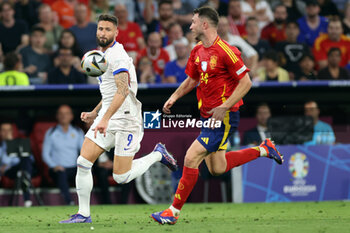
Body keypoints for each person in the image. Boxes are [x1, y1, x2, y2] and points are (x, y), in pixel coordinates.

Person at [151, 6, 283, 225]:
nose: (190, 25)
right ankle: (264, 149)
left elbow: (246, 82)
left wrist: (224, 106)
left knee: (191, 157)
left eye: (193, 22)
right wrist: (174, 97)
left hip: (225, 117)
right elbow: (192, 80)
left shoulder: (227, 51)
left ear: (205, 24)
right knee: (217, 168)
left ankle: (172, 212)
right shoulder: (197, 51)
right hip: (207, 117)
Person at [59, 14, 177, 223]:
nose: (102, 33)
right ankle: (83, 214)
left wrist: (104, 119)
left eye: (107, 29)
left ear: (116, 32)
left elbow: (122, 91)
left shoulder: (118, 56)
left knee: (121, 177)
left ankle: (158, 154)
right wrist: (97, 113)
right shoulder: (102, 55)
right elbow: (110, 92)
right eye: (100, 29)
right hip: (108, 114)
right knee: (83, 162)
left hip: (126, 119)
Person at [42, 105, 84, 205]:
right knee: (61, 173)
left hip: (74, 168)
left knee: (85, 172)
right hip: (57, 169)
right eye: (61, 114)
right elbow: (45, 154)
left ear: (71, 116)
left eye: (66, 114)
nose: (63, 116)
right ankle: (69, 201)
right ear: (57, 116)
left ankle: (85, 203)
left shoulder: (78, 132)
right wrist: (54, 166)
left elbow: (84, 152)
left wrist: (82, 166)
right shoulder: (51, 132)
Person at [0, 122, 34, 207]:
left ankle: (24, 174)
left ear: (12, 132)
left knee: (25, 160)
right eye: (4, 130)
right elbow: (5, 161)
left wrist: (12, 144)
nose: (6, 132)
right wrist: (10, 145)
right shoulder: (1, 147)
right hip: (9, 172)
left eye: (8, 130)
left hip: (21, 167)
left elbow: (31, 158)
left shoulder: (20, 144)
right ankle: (27, 199)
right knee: (24, 168)